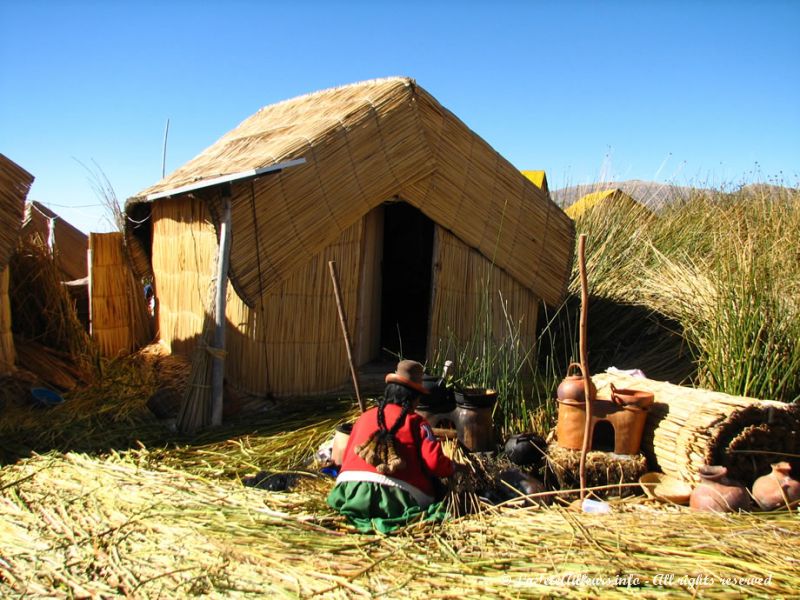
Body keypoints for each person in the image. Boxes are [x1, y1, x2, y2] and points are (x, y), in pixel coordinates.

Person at [327, 360, 460, 533]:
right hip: (397, 500)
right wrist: (454, 467)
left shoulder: (364, 417)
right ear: (414, 399)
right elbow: (434, 463)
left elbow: (345, 459)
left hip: (349, 493)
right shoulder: (417, 422)